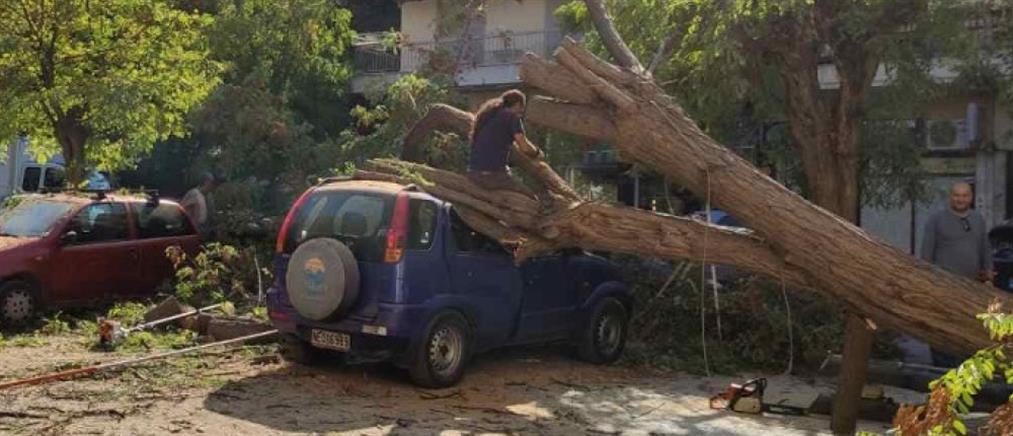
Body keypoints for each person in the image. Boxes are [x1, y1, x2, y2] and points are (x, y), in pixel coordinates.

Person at [920, 181, 994, 367]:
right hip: (943, 288)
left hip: (972, 288)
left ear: (971, 197)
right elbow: (926, 254)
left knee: (968, 328)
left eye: (964, 195)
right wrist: (926, 282)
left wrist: (989, 277)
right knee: (941, 328)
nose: (960, 199)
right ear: (950, 197)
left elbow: (985, 248)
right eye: (957, 195)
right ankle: (941, 369)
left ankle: (965, 370)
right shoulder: (936, 220)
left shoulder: (978, 219)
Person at [467, 89, 542, 195]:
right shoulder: (512, 117)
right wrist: (536, 153)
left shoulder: (488, 116)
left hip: (474, 173)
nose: (521, 112)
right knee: (529, 196)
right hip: (494, 176)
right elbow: (524, 146)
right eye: (521, 108)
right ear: (517, 104)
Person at [180, 172, 218, 237]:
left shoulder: (209, 196)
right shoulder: (193, 194)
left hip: (205, 228)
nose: (212, 186)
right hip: (194, 228)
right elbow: (182, 208)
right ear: (206, 182)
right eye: (210, 183)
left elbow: (211, 213)